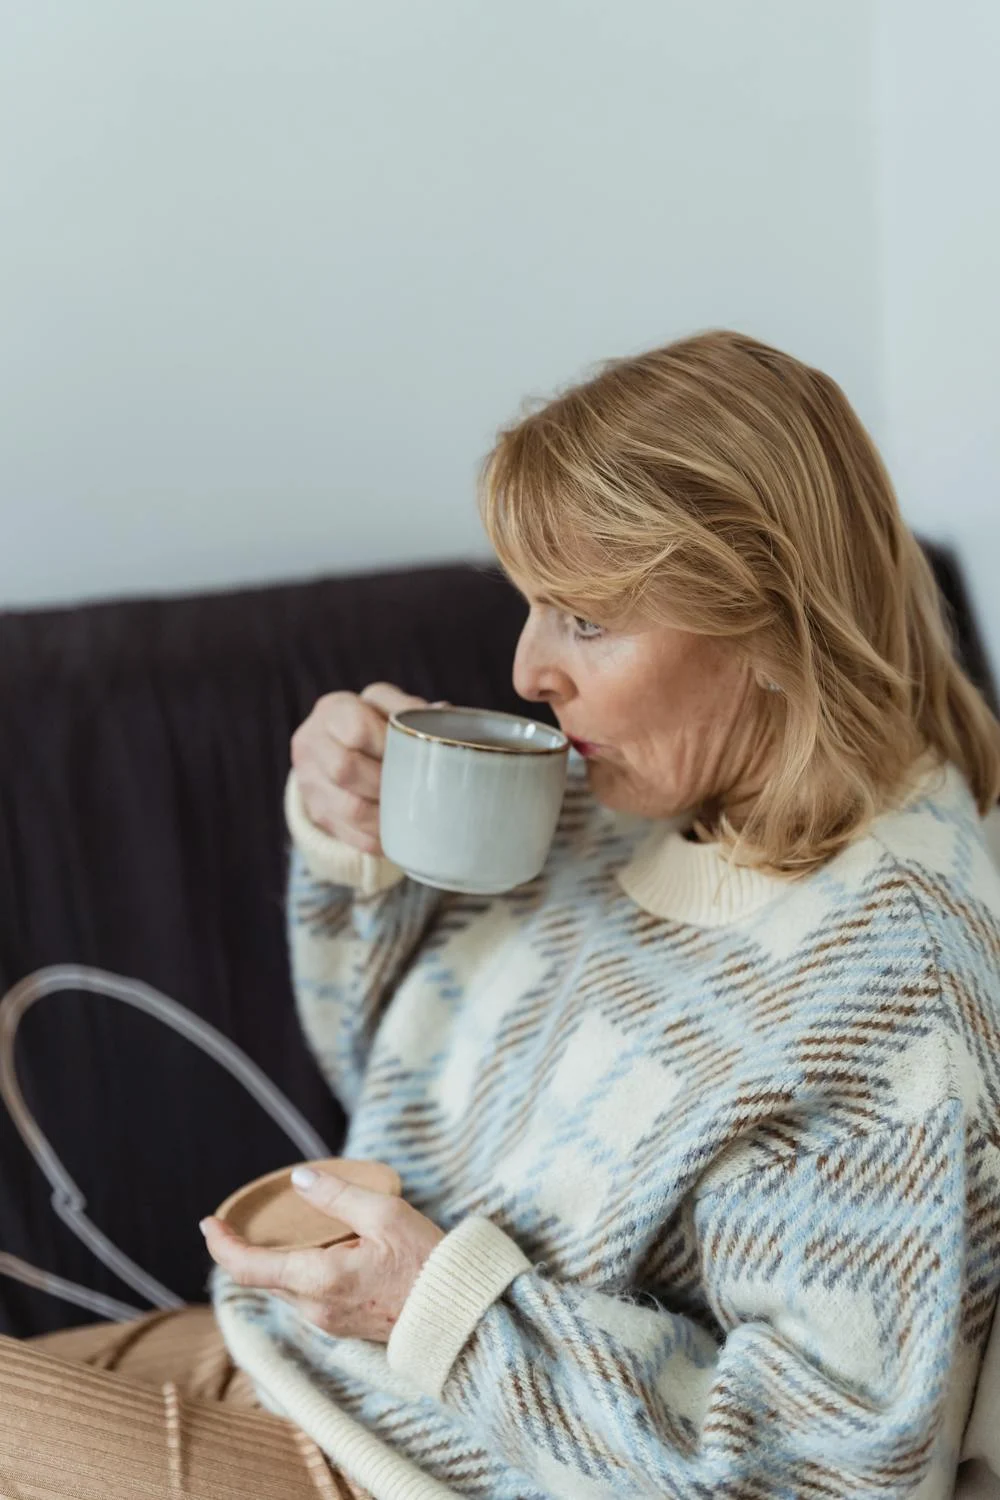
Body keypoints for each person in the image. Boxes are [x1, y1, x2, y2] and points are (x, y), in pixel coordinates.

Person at [4, 330, 1000, 1500]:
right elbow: (389, 1079)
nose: (527, 670)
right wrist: (355, 848)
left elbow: (826, 1476)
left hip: (416, 1473)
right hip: (301, 1365)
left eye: (585, 620)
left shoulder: (890, 1003)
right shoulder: (612, 802)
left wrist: (443, 1313)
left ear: (775, 629)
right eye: (531, 605)